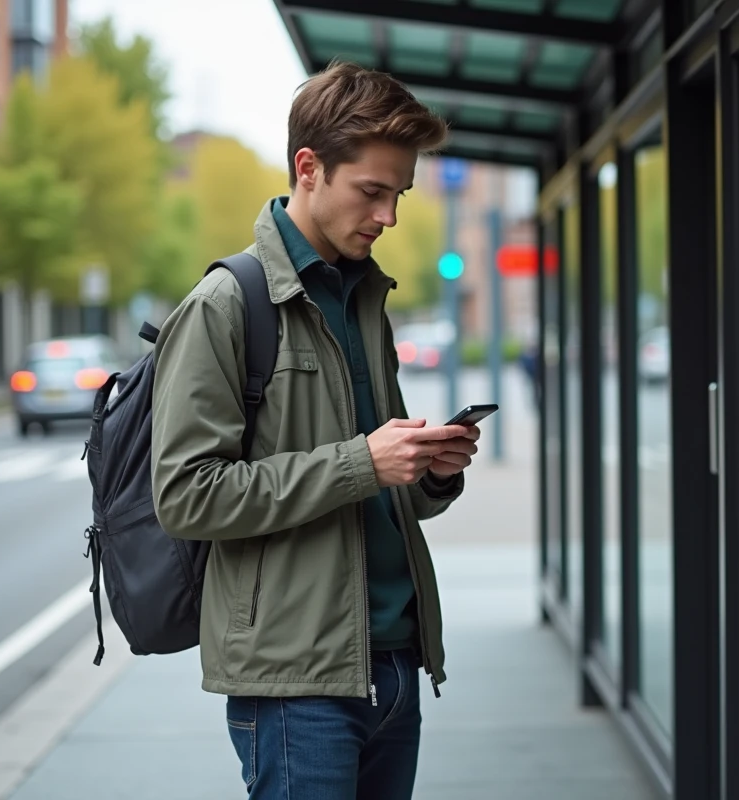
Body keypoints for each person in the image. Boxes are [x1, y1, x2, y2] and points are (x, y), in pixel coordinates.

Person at [149, 61, 482, 799]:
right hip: (298, 685)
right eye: (372, 191)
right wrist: (363, 461)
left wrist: (432, 471)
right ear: (309, 168)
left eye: (399, 194)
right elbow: (186, 496)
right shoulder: (225, 304)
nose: (388, 215)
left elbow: (378, 483)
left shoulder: (366, 296)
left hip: (395, 661)